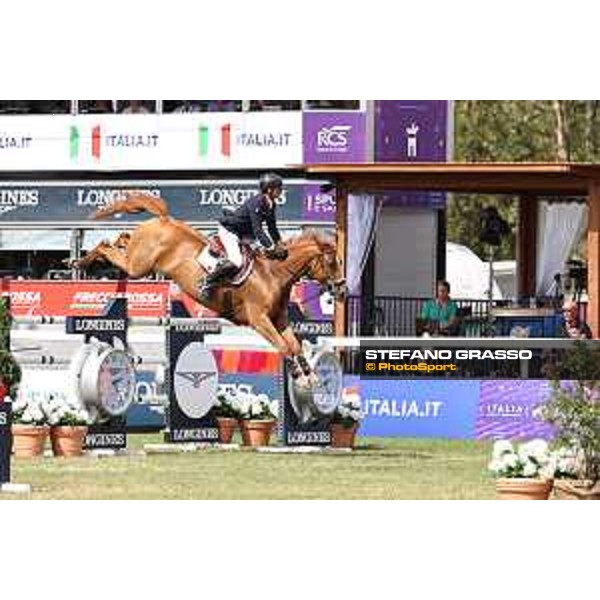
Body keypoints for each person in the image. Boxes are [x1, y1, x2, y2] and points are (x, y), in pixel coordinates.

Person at [199, 173, 288, 299]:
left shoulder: (271, 204)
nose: (281, 190)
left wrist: (280, 244)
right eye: (279, 188)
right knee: (236, 261)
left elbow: (272, 228)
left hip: (245, 234)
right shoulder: (256, 202)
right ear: (269, 190)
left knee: (260, 258)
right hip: (230, 231)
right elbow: (258, 230)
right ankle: (206, 282)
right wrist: (271, 247)